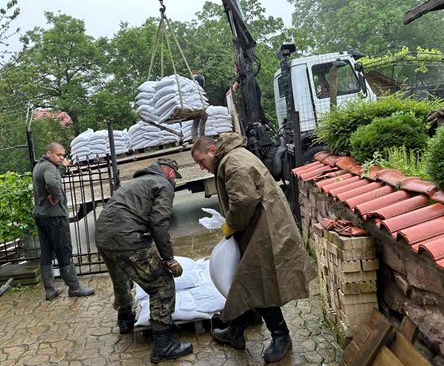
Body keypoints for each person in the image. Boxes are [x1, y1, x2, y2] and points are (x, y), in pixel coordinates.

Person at [191, 133, 315, 363]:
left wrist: (231, 224)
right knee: (245, 281)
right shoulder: (232, 158)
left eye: (201, 161)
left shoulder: (233, 162)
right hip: (261, 227)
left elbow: (244, 200)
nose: (201, 168)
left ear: (211, 150)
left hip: (265, 231)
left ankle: (281, 337)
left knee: (258, 283)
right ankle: (235, 332)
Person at [94, 158, 192, 363]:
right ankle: (163, 345)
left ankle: (125, 319)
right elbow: (159, 223)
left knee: (120, 277)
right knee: (162, 284)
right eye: (174, 176)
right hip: (127, 239)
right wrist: (168, 259)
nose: (173, 180)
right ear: (171, 173)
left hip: (103, 237)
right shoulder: (163, 184)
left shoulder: (137, 182)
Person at [32, 142, 95, 301]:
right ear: (49, 153)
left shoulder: (40, 166)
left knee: (47, 252)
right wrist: (56, 196)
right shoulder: (49, 168)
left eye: (63, 155)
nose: (62, 158)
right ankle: (74, 288)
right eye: (59, 155)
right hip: (55, 217)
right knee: (64, 251)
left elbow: (55, 175)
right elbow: (53, 182)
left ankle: (50, 289)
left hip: (42, 215)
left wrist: (63, 167)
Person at [190, 70, 208, 141]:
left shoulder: (192, 81)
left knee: (196, 120)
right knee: (203, 117)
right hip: (199, 101)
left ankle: (195, 138)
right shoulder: (200, 78)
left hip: (195, 103)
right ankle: (201, 136)